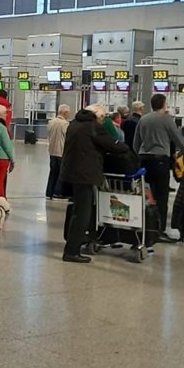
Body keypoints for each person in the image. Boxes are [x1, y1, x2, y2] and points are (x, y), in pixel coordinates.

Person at [59, 104, 129, 263]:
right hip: (85, 174)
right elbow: (113, 144)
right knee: (82, 214)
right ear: (98, 116)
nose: (103, 121)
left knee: (77, 211)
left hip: (71, 172)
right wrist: (125, 149)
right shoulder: (93, 126)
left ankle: (74, 244)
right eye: (102, 118)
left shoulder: (74, 124)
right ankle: (72, 251)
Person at [131, 93, 184, 243]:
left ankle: (146, 227)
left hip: (144, 161)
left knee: (147, 195)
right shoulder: (167, 119)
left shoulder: (143, 119)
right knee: (161, 196)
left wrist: (140, 155)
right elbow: (178, 139)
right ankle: (159, 230)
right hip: (160, 161)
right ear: (164, 104)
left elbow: (135, 142)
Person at [45, 105, 71, 199]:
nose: (69, 115)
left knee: (53, 172)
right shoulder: (65, 124)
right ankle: (57, 193)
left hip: (52, 151)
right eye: (68, 113)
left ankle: (49, 192)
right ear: (65, 113)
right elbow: (68, 138)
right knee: (61, 173)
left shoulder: (51, 122)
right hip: (61, 151)